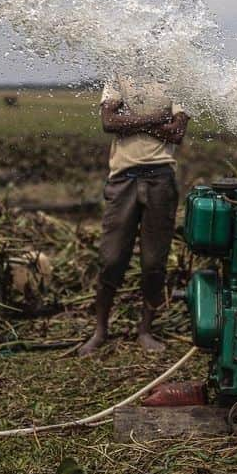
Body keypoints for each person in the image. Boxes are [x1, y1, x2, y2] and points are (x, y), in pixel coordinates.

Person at [79, 76, 190, 356]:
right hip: (122, 178)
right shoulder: (119, 74)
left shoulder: (180, 77)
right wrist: (155, 119)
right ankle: (100, 330)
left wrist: (132, 120)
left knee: (154, 262)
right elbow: (109, 122)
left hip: (160, 179)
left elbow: (177, 133)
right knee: (111, 258)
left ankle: (145, 330)